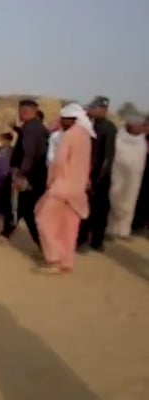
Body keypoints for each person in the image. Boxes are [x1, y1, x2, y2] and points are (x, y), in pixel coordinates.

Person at [34, 104, 93, 273]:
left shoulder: (68, 136)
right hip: (78, 189)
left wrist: (50, 182)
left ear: (73, 120)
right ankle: (66, 261)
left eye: (65, 119)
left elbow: (58, 162)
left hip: (61, 187)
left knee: (44, 220)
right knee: (69, 226)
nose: (62, 122)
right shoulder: (85, 137)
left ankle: (54, 259)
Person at [1, 99, 48, 245]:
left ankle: (45, 247)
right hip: (35, 175)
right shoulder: (36, 127)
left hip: (30, 176)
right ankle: (7, 232)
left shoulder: (30, 129)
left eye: (22, 111)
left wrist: (21, 175)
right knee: (20, 206)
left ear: (25, 111)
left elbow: (29, 154)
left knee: (27, 210)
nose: (20, 114)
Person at [77, 96, 117, 252]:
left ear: (103, 109)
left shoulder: (109, 128)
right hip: (90, 174)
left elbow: (107, 157)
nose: (91, 111)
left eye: (94, 108)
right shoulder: (92, 126)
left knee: (99, 210)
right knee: (85, 208)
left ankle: (96, 241)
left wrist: (97, 178)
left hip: (100, 177)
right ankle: (82, 239)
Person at [107, 114, 146, 239]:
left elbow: (140, 160)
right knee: (113, 199)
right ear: (130, 125)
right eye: (138, 125)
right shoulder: (118, 138)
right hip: (117, 175)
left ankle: (123, 230)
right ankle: (109, 229)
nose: (141, 128)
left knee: (130, 201)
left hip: (134, 178)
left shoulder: (142, 141)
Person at [132, 117, 149, 232]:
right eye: (145, 126)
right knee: (138, 199)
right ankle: (136, 224)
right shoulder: (139, 139)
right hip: (139, 174)